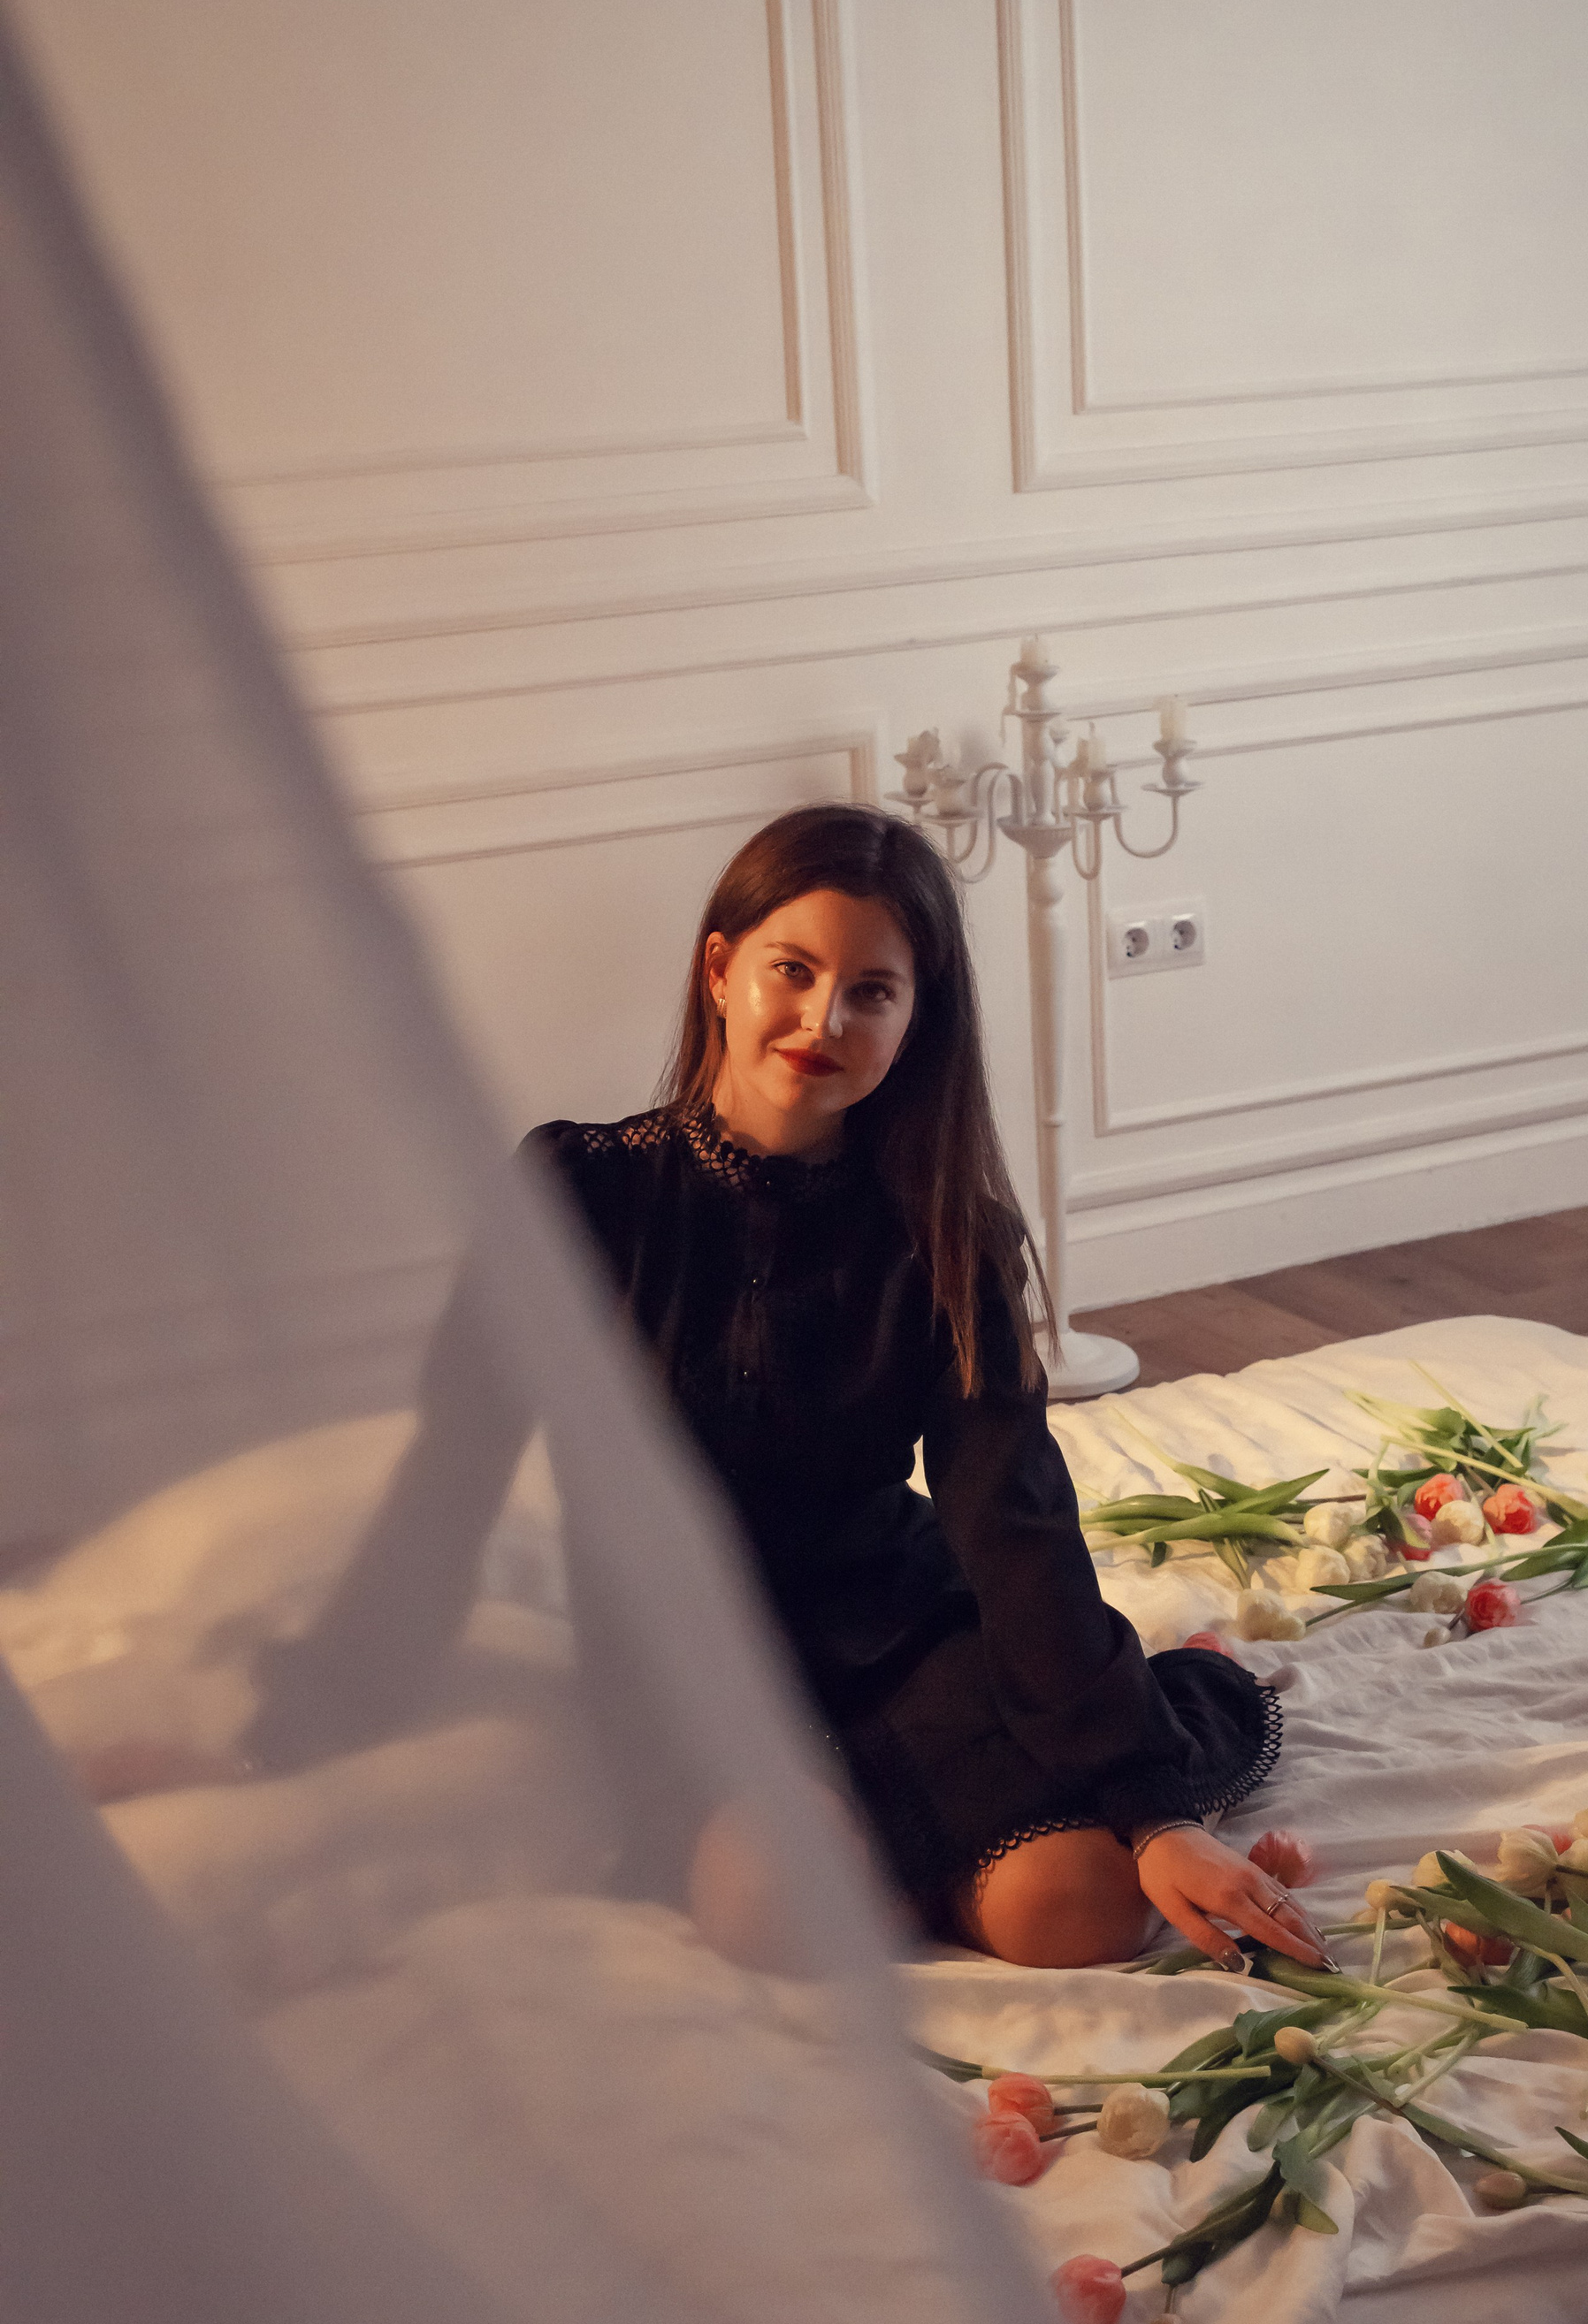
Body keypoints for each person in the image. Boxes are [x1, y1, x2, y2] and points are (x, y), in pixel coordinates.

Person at [256, 804, 1331, 1976]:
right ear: (721, 969)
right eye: (794, 970)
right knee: (775, 1907)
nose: (825, 1020)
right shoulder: (575, 1194)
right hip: (686, 1669)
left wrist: (1155, 1813)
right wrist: (307, 1717)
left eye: (873, 991)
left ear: (916, 1020)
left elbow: (1011, 1516)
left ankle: (1184, 1704)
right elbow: (451, 1473)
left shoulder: (946, 1234)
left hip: (901, 1632)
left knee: (1074, 1915)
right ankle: (926, 1847)